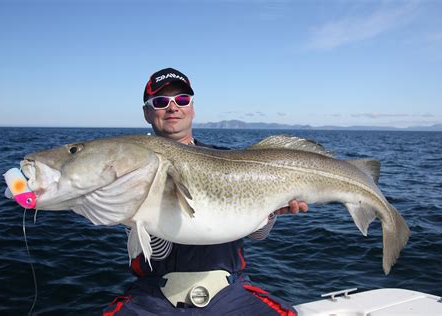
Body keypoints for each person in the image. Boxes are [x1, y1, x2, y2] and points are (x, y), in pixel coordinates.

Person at [104, 68, 308, 316]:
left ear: (192, 108)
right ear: (147, 113)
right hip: (153, 296)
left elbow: (258, 235)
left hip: (230, 292)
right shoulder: (131, 166)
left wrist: (272, 210)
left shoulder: (232, 160)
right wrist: (134, 214)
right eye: (160, 102)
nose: (173, 108)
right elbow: (156, 253)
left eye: (182, 100)